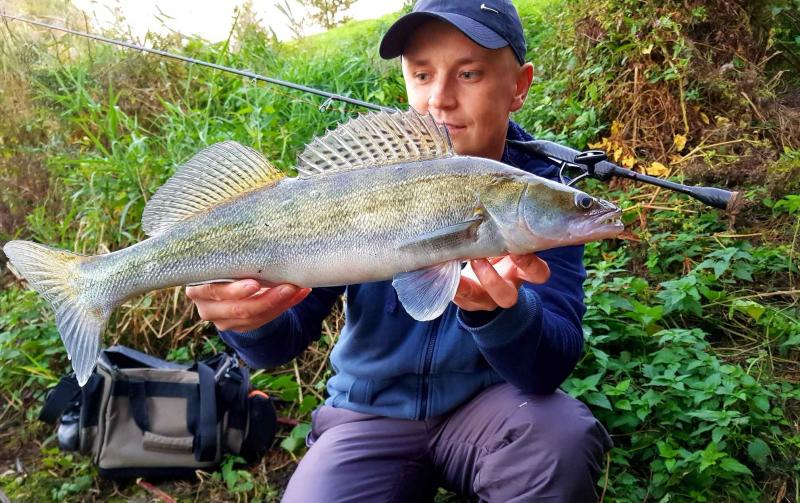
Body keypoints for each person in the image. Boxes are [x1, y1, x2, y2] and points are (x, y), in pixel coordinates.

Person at [186, 1, 613, 501]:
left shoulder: (540, 196)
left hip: (494, 410)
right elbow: (281, 344)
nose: (440, 100)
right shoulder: (362, 180)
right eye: (422, 74)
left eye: (469, 73)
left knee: (560, 438)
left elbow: (548, 368)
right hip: (366, 414)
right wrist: (247, 318)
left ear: (519, 85)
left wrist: (500, 313)